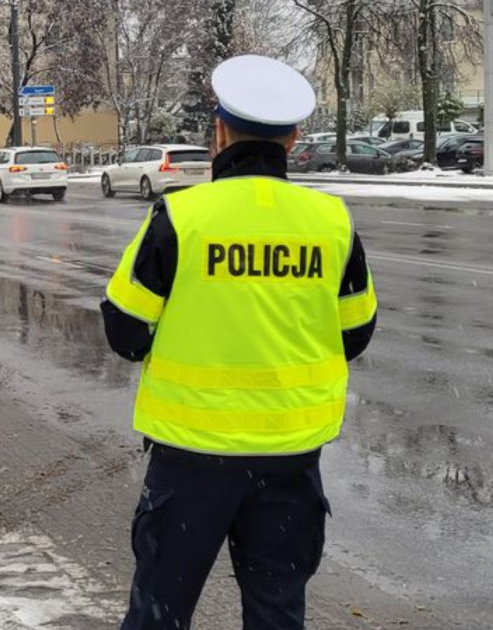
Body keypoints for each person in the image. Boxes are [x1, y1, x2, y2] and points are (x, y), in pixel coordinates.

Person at [101, 55, 378, 630]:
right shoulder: (331, 222)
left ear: (219, 131)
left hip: (190, 462)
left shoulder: (180, 216)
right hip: (291, 465)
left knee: (160, 613)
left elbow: (125, 330)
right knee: (277, 614)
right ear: (296, 138)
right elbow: (355, 334)